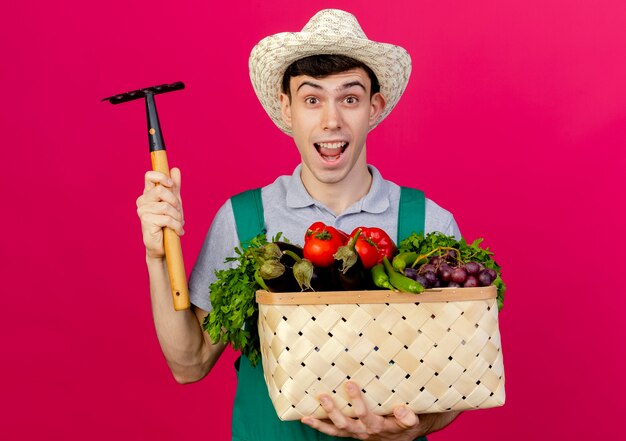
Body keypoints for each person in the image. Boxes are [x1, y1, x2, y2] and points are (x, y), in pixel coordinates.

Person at [136, 9, 462, 441]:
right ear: (287, 108)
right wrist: (157, 256)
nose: (331, 121)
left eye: (349, 98)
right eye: (312, 100)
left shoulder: (429, 224)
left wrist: (414, 427)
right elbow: (189, 363)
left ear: (374, 107)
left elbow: (457, 381)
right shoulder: (243, 220)